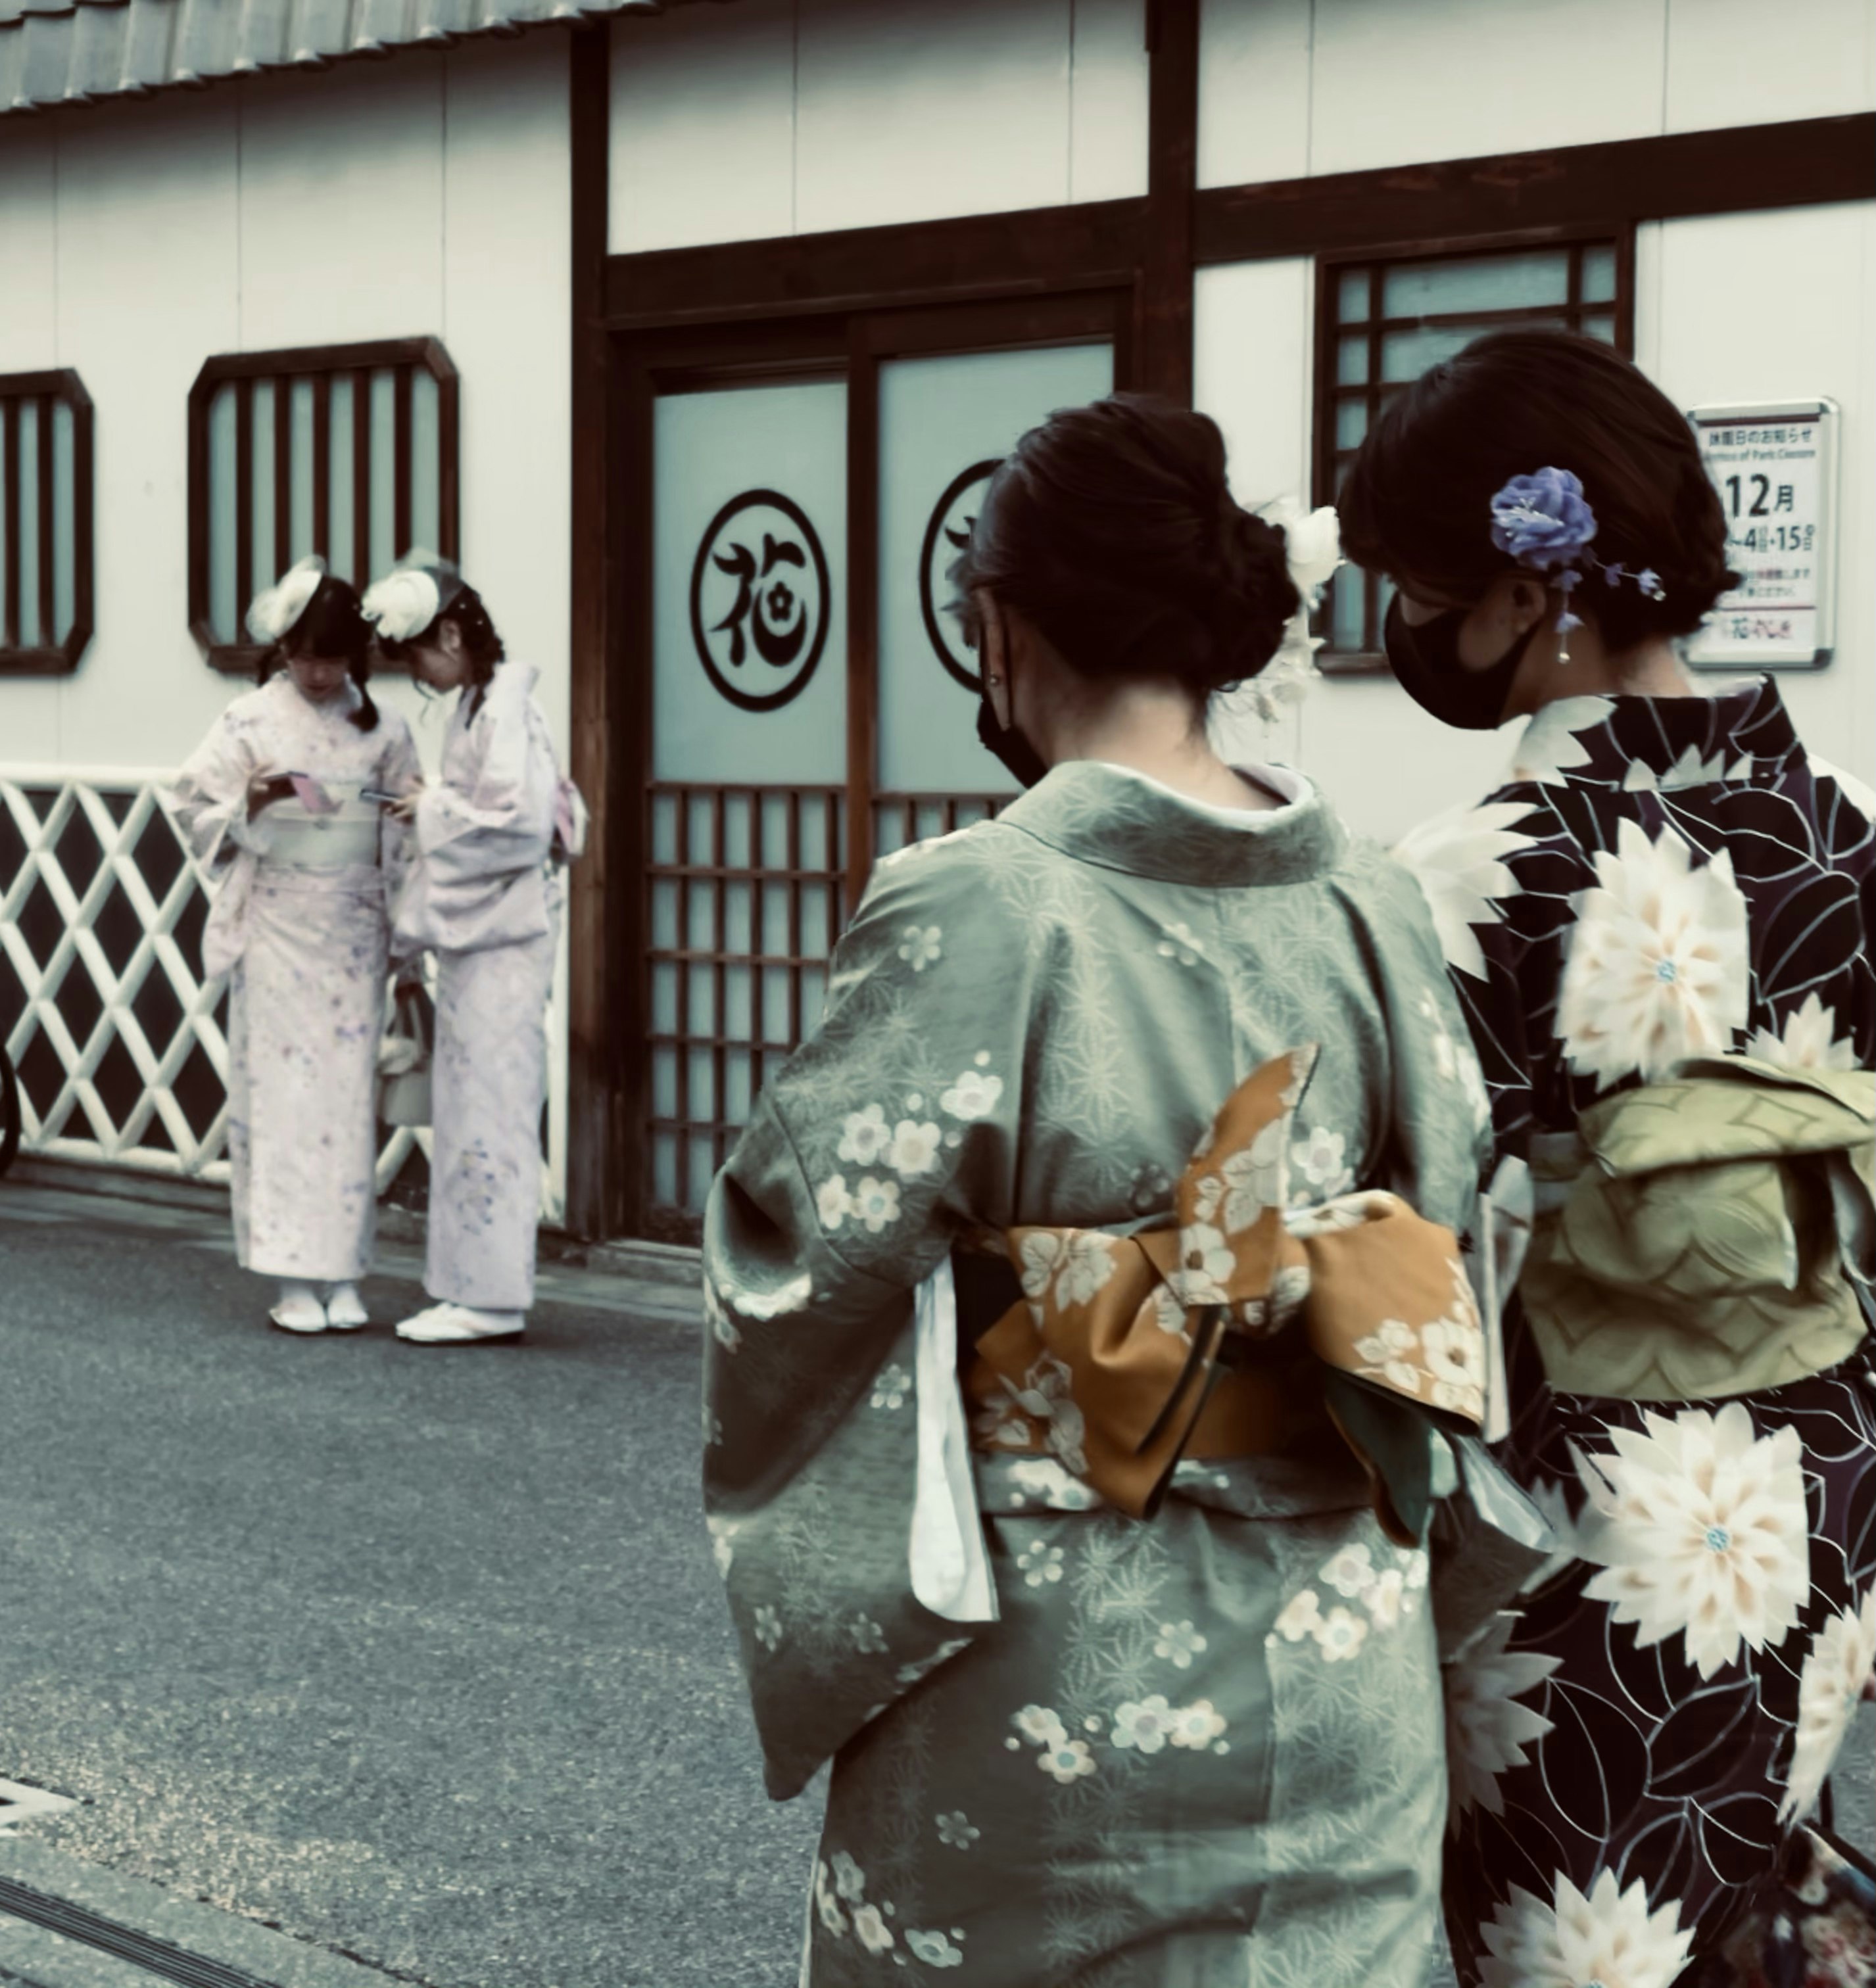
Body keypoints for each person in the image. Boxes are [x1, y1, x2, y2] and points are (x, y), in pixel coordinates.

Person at [704, 396, 1521, 1987]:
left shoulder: (976, 908)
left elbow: (796, 1263)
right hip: (1338, 1660)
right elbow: (1457, 1231)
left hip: (1065, 1672)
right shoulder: (1368, 899)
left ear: (997, 630)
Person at [1343, 327, 1876, 1984]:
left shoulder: (1463, 876)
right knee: (1751, 1937)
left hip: (1577, 1552)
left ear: (1521, 594)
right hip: (1815, 1510)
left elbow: (1393, 1258)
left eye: (1416, 584)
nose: (1407, 628)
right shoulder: (1847, 826)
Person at [172, 556, 420, 1335]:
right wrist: (255, 796)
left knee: (345, 1107)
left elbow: (406, 831)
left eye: (335, 659)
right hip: (279, 926)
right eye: (307, 657)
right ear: (281, 650)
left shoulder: (382, 728)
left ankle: (343, 1271)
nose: (319, 674)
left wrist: (407, 938)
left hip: (353, 927)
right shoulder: (249, 722)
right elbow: (191, 802)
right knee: (282, 1107)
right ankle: (289, 1275)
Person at [362, 553, 571, 1346]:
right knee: (472, 1110)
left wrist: (430, 805)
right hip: (483, 941)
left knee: (492, 1111)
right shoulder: (480, 707)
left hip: (502, 941)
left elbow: (513, 826)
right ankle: (469, 1286)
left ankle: (490, 1294)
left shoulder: (506, 710)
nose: (415, 668)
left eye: (417, 652)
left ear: (452, 633)